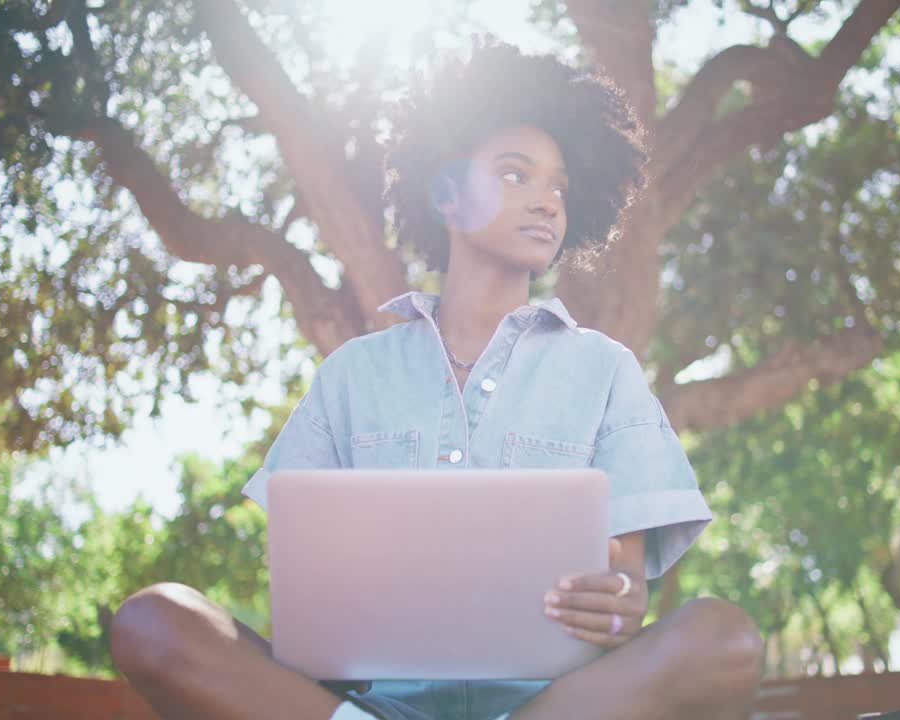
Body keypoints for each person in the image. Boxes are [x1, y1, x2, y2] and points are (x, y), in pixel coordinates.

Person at [109, 41, 763, 720]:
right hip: (368, 709)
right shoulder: (353, 376)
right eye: (516, 175)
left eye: (560, 187)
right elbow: (307, 595)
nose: (546, 200)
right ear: (447, 192)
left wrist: (623, 599)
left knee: (726, 639)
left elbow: (625, 580)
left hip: (555, 710)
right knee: (152, 623)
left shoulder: (605, 370)